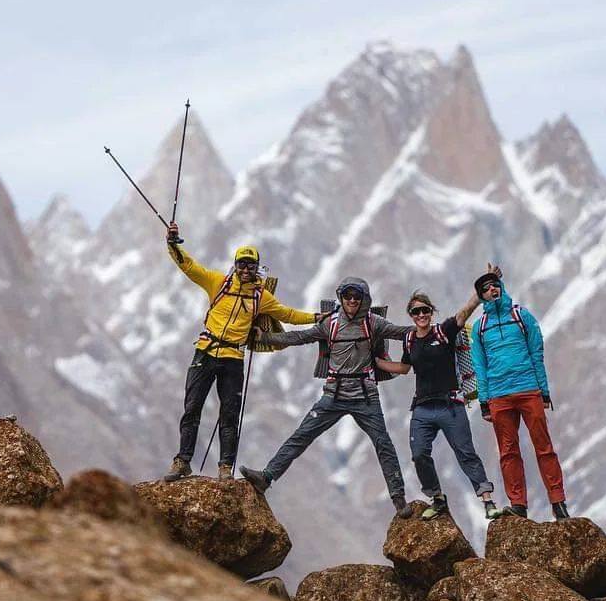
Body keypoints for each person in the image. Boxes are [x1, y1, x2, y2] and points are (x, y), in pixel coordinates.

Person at [240, 277, 416, 518]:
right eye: (348, 296)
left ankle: (399, 500)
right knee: (302, 435)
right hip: (333, 394)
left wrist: (436, 331)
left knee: (383, 444)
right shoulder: (330, 324)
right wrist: (264, 338)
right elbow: (298, 338)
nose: (352, 301)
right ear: (341, 298)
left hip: (365, 395)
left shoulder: (374, 323)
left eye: (357, 297)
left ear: (364, 299)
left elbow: (403, 333)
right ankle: (266, 478)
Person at [163, 222, 321, 482]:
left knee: (229, 414)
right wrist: (172, 243)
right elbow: (189, 267)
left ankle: (226, 466)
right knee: (192, 408)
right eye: (241, 264)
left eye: (250, 265)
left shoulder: (261, 297)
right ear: (235, 265)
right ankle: (182, 461)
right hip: (205, 351)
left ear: (257, 268)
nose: (245, 269)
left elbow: (288, 314)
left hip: (232, 358)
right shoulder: (218, 282)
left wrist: (317, 317)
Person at [376, 267, 503, 522]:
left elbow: (464, 312)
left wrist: (482, 290)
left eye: (425, 310)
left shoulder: (443, 331)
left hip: (450, 404)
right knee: (419, 453)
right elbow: (404, 368)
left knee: (465, 452)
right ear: (411, 316)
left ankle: (488, 501)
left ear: (431, 312)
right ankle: (437, 498)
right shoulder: (410, 340)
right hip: (422, 408)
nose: (421, 315)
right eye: (416, 312)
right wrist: (376, 363)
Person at [469, 270, 570, 520]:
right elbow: (479, 366)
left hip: (528, 390)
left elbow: (537, 352)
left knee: (544, 447)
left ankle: (558, 503)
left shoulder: (521, 315)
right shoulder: (480, 328)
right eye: (486, 288)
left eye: (495, 285)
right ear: (481, 297)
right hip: (499, 396)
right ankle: (519, 504)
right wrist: (484, 400)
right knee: (508, 452)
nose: (493, 289)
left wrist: (543, 390)